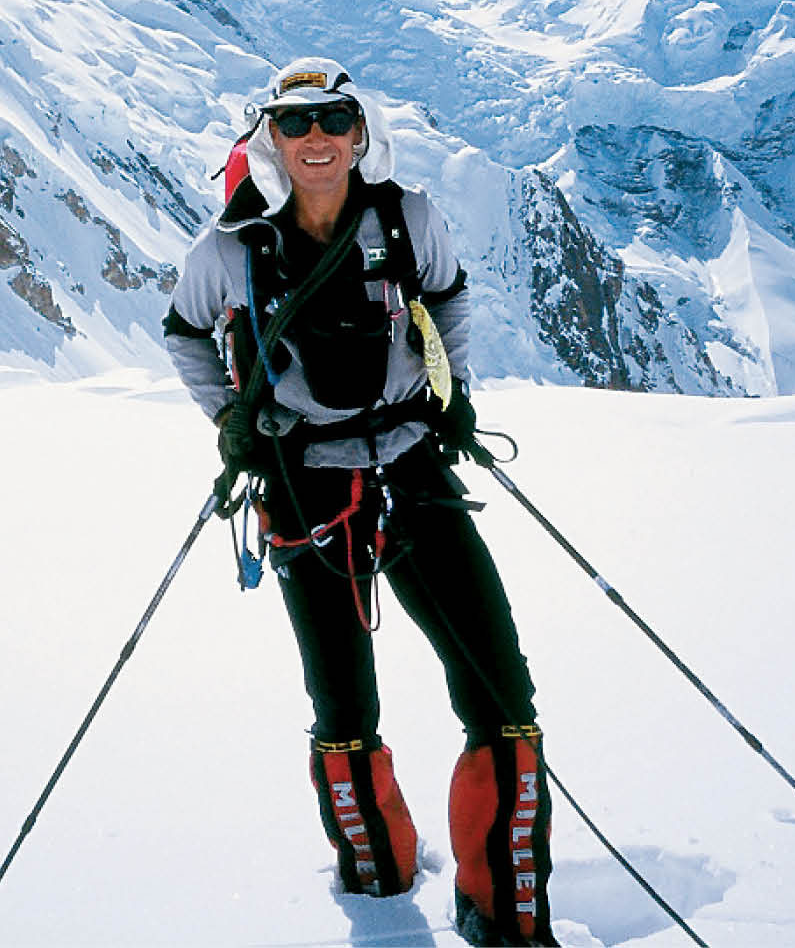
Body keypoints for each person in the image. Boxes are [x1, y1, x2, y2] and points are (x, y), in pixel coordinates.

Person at [163, 56, 556, 948]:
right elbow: (185, 331)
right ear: (269, 137)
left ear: (359, 132)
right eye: (294, 123)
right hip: (305, 481)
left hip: (409, 467)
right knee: (343, 708)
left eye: (332, 119)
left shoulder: (409, 219)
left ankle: (507, 915)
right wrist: (231, 420)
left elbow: (449, 297)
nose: (314, 139)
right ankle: (380, 890)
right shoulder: (231, 249)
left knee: (501, 689)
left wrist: (448, 393)